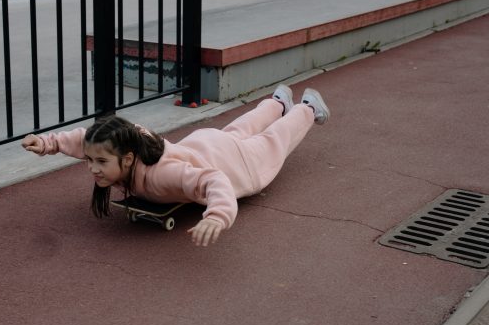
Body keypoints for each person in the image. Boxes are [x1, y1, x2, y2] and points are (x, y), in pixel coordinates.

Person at [22, 84, 329, 246]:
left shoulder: (161, 176)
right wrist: (49, 144)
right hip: (204, 145)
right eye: (90, 160)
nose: (92, 167)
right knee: (240, 130)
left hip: (232, 163)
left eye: (100, 162)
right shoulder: (125, 142)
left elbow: (215, 181)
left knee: (272, 142)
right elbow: (86, 139)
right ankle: (276, 102)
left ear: (127, 159)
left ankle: (307, 107)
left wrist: (217, 216)